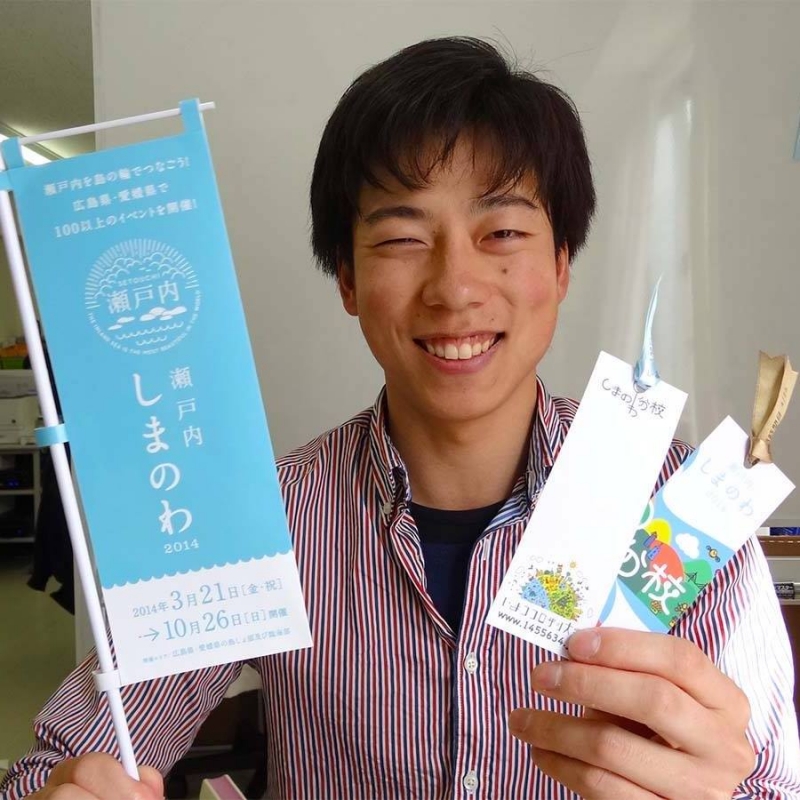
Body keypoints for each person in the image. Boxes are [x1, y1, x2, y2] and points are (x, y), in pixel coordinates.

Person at [2, 36, 798, 800]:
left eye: (503, 232)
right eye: (403, 237)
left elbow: (769, 782)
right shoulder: (261, 521)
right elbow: (56, 767)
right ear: (347, 280)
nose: (455, 287)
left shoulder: (685, 510)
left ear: (561, 265)